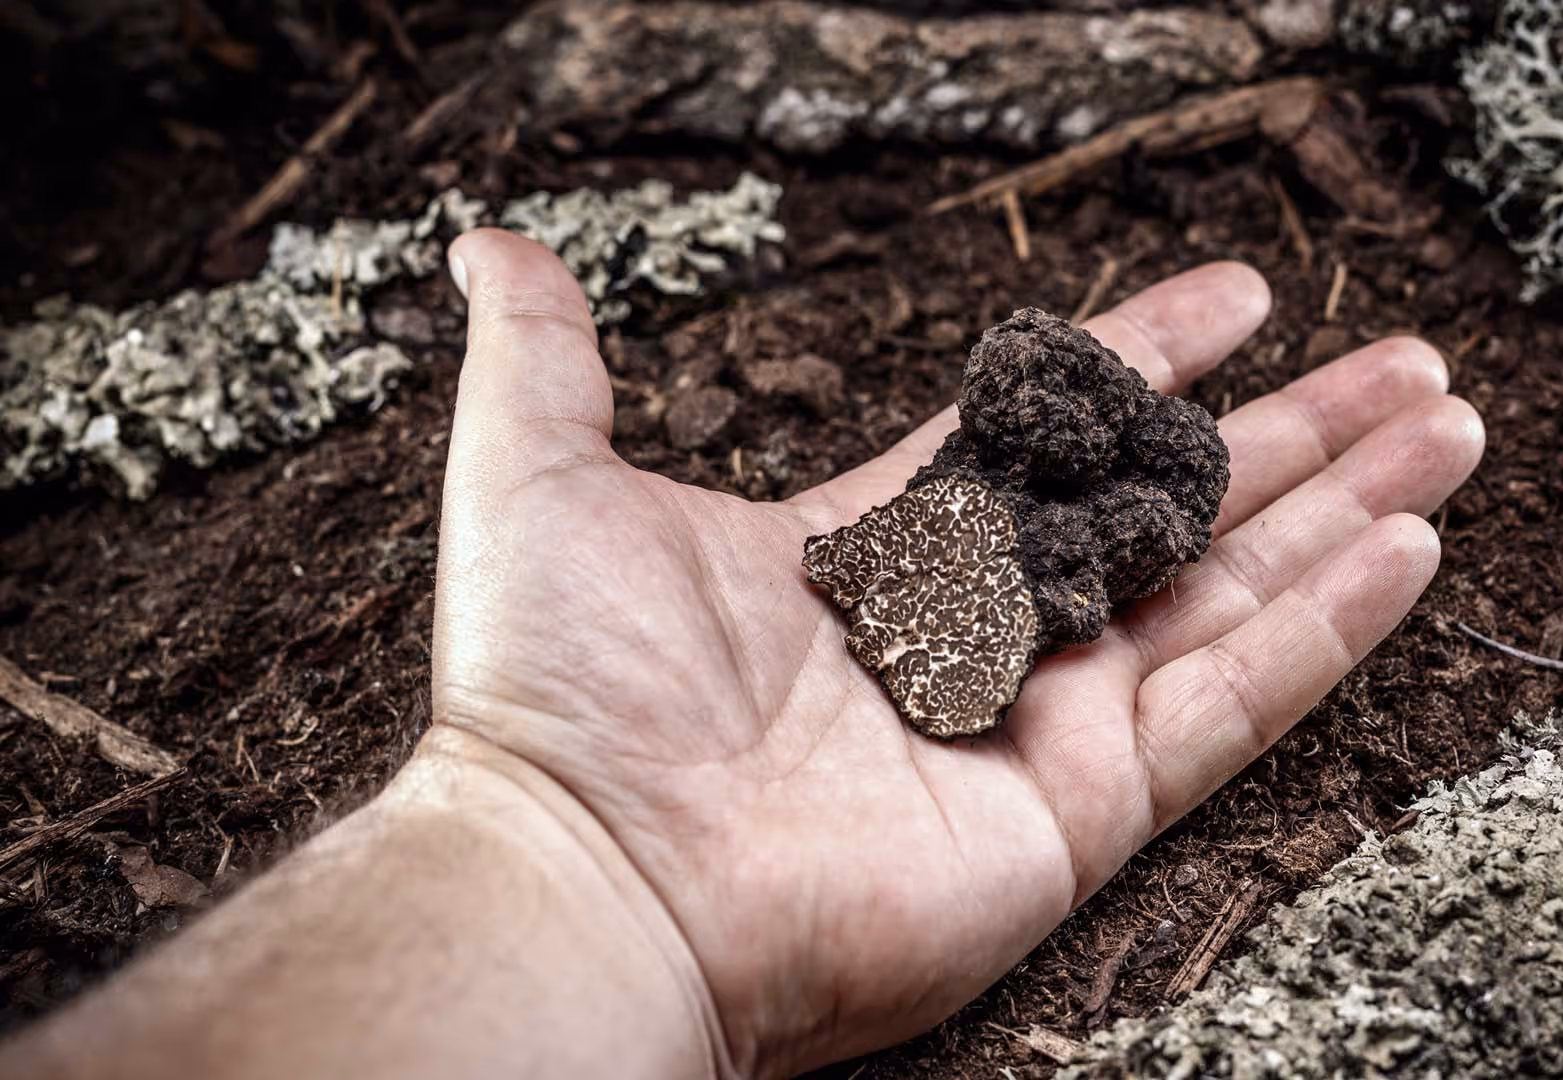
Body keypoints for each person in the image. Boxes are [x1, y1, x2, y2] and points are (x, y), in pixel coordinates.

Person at [2, 230, 1483, 1079]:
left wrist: (555, 855)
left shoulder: (1068, 526)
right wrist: (557, 814)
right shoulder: (977, 519)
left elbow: (1099, 549)